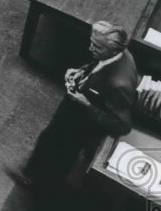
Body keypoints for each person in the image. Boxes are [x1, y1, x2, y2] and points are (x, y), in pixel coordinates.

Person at [9, 21, 139, 192]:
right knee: (50, 140)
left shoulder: (118, 84)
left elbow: (122, 126)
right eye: (92, 42)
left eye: (97, 47)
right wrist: (82, 71)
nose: (90, 48)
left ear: (113, 50)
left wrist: (86, 103)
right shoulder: (120, 53)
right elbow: (100, 66)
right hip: (79, 103)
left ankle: (37, 183)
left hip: (83, 121)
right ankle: (34, 174)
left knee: (60, 150)